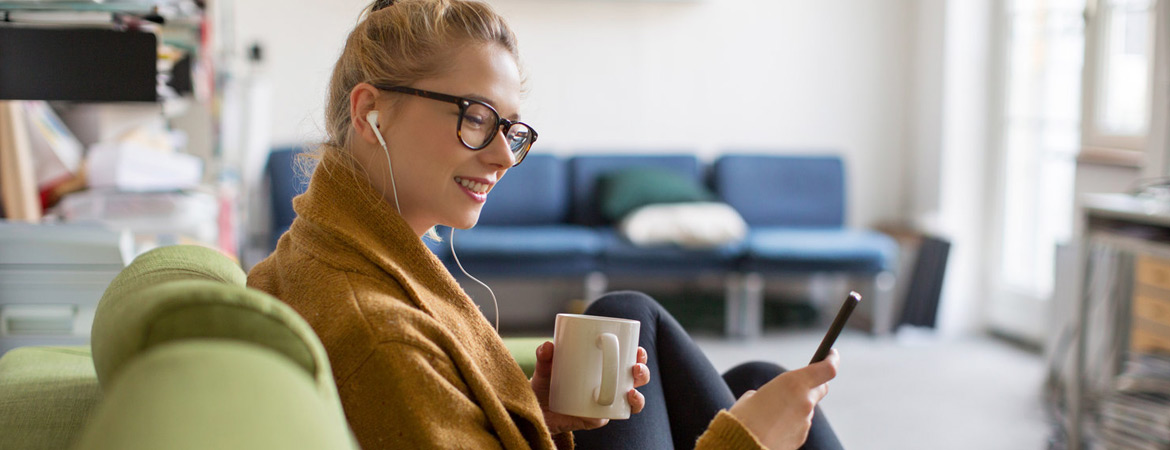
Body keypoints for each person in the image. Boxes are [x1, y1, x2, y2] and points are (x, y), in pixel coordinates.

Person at [246, 0, 844, 449]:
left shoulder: (328, 247)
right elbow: (402, 386)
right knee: (753, 398)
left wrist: (530, 411)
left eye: (511, 129)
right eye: (476, 117)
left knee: (752, 374)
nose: (505, 157)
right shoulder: (382, 333)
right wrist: (745, 441)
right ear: (369, 111)